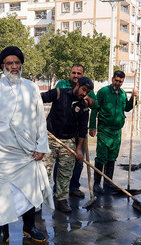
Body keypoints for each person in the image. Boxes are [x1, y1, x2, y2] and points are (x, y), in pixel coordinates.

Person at [0, 46, 53, 244]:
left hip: (27, 151)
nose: (13, 67)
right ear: (3, 66)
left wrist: (41, 146)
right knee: (2, 192)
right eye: (9, 63)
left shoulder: (32, 87)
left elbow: (39, 119)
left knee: (28, 192)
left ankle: (29, 228)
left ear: (21, 65)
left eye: (17, 63)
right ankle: (4, 232)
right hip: (1, 151)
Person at [41, 76, 94, 213]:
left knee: (65, 173)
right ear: (77, 84)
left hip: (69, 141)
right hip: (50, 138)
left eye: (87, 92)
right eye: (83, 89)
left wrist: (79, 149)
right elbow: (38, 99)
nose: (84, 94)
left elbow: (83, 129)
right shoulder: (59, 93)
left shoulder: (82, 106)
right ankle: (38, 201)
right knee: (43, 173)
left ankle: (61, 200)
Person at [89, 70, 138, 193]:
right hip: (104, 130)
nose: (118, 83)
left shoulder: (122, 93)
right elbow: (95, 108)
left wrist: (134, 98)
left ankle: (108, 183)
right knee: (101, 157)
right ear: (112, 79)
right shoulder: (103, 92)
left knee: (112, 158)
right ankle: (96, 184)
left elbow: (127, 108)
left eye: (120, 81)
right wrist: (92, 127)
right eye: (116, 80)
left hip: (117, 132)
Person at [53, 64, 97, 198]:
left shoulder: (88, 87)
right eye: (74, 73)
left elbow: (94, 104)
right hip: (62, 130)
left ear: (83, 75)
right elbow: (55, 98)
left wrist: (87, 99)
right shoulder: (62, 84)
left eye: (79, 73)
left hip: (80, 129)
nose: (76, 75)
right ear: (70, 73)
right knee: (60, 161)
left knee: (79, 160)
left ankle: (73, 187)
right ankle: (57, 189)